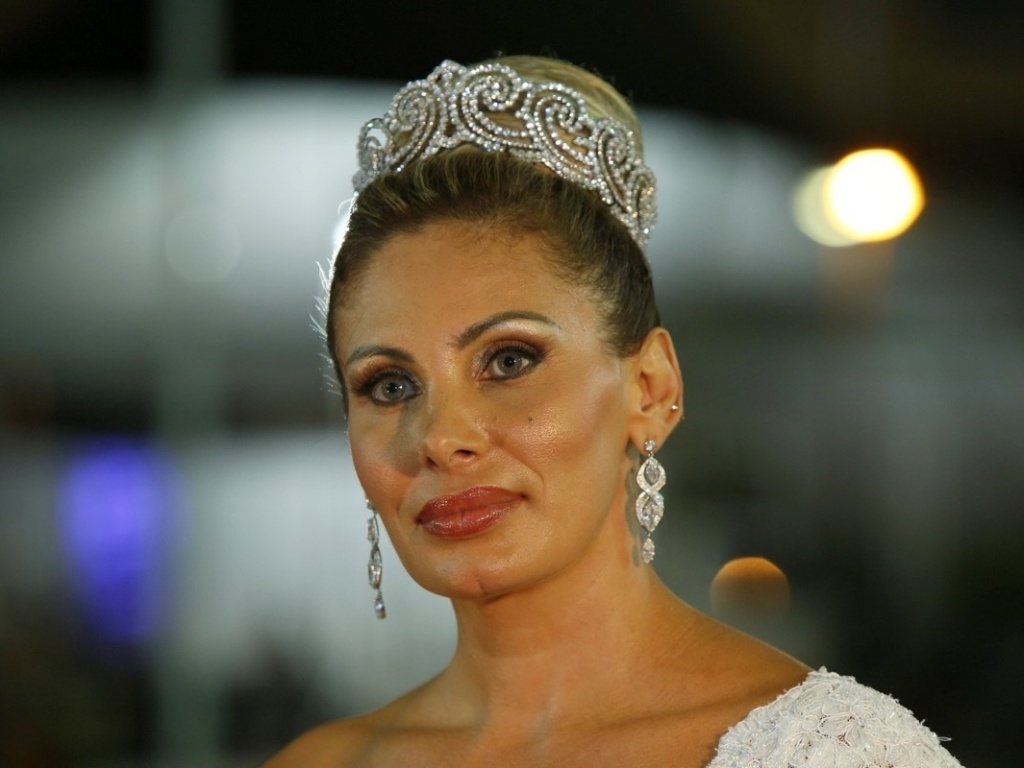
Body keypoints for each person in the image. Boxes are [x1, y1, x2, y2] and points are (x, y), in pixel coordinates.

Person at [265, 57, 964, 767]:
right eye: (390, 386)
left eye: (508, 361)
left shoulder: (835, 752)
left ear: (650, 389)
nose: (440, 438)